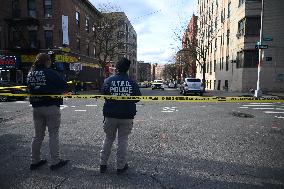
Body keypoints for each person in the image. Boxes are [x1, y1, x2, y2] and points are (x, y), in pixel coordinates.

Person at [27, 53, 69, 170]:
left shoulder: (31, 73)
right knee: (53, 134)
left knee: (37, 136)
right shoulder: (49, 72)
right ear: (47, 61)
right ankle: (55, 161)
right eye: (49, 61)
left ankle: (34, 161)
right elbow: (65, 86)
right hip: (51, 106)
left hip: (36, 107)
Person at [100, 57, 141, 174]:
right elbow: (137, 98)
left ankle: (103, 164)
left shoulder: (108, 80)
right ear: (127, 69)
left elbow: (103, 93)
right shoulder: (132, 82)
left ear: (117, 68)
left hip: (110, 115)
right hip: (127, 115)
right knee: (123, 140)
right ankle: (120, 166)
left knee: (108, 138)